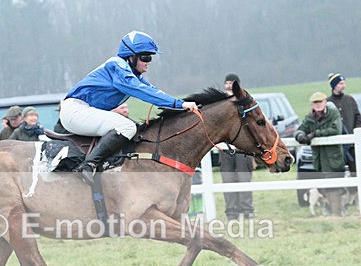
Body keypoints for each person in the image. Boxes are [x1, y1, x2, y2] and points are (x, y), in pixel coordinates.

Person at [59, 30, 198, 184]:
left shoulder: (132, 74)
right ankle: (87, 166)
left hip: (84, 111)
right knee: (127, 127)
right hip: (75, 111)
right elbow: (142, 91)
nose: (149, 61)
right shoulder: (117, 65)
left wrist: (181, 104)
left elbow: (153, 91)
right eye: (145, 57)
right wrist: (180, 104)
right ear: (130, 57)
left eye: (150, 57)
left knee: (133, 129)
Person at [294, 92, 344, 215]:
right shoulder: (310, 117)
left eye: (320, 102)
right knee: (323, 187)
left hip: (333, 157)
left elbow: (335, 130)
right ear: (312, 104)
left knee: (334, 186)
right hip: (319, 159)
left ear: (325, 102)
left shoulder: (333, 113)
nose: (318, 105)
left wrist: (315, 134)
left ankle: (337, 213)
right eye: (315, 103)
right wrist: (300, 135)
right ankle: (330, 212)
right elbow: (300, 129)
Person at [219, 73, 255, 220]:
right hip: (225, 149)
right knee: (228, 181)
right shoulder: (220, 104)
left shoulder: (245, 102)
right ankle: (231, 213)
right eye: (227, 83)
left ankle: (248, 212)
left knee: (243, 179)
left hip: (243, 149)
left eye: (232, 83)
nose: (229, 85)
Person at [327, 72, 361, 170]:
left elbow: (357, 117)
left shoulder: (350, 100)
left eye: (344, 83)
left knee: (356, 171)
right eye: (341, 84)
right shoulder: (327, 103)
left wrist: (357, 132)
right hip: (336, 147)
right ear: (334, 86)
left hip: (352, 145)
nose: (344, 86)